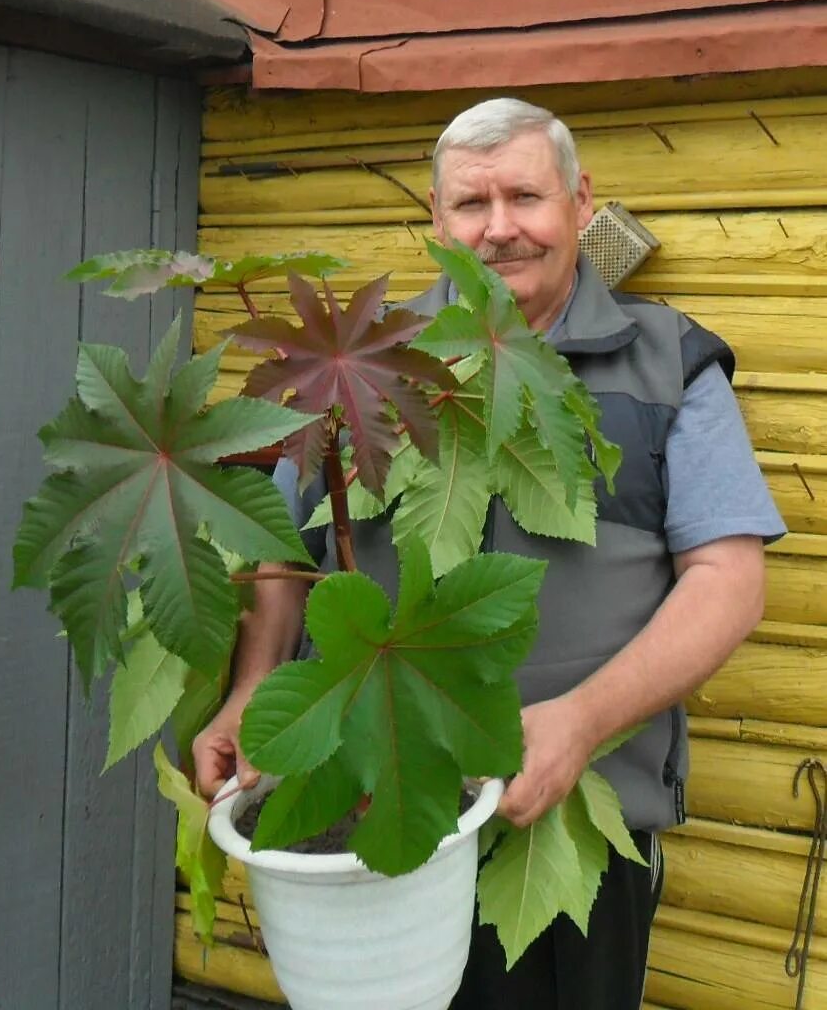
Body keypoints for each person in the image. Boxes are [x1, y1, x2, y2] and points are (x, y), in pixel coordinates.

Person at [193, 98, 786, 1009]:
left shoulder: (669, 362)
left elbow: (730, 582)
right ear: (436, 219)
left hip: (572, 820)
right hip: (366, 805)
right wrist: (251, 691)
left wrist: (581, 721)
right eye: (472, 204)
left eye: (525, 197)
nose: (500, 228)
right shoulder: (362, 360)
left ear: (581, 202)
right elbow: (283, 551)